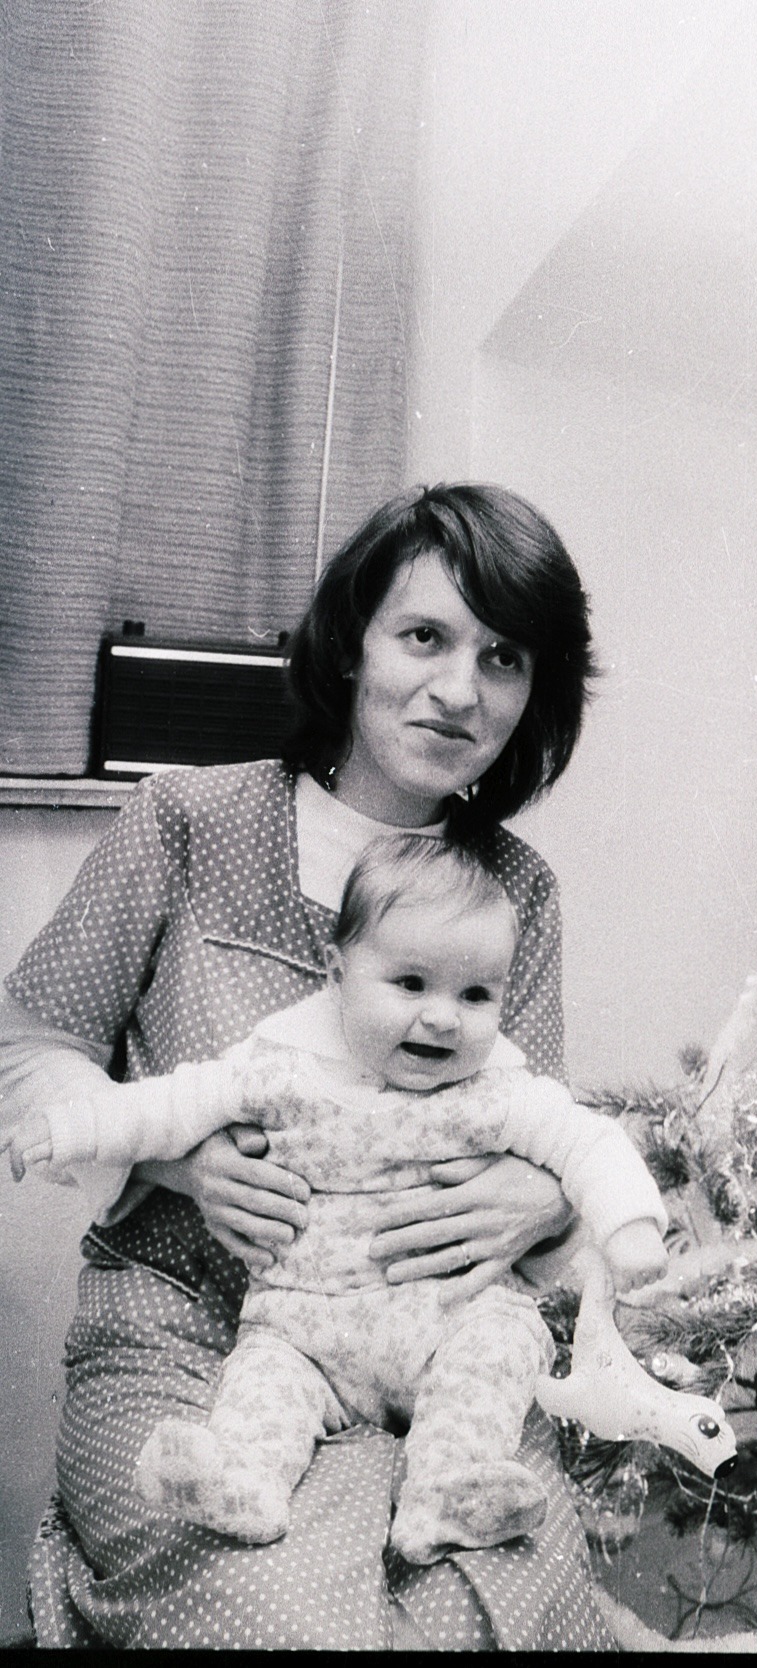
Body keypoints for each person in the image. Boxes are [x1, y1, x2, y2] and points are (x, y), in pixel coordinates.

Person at [0, 482, 619, 1650]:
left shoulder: (519, 888)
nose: (457, 689)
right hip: (180, 1335)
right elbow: (32, 1043)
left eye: (503, 658)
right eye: (424, 636)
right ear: (350, 648)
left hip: (434, 1365)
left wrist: (543, 1202)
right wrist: (178, 1153)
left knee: (478, 1614)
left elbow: (534, 1125)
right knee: (282, 1617)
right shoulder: (187, 821)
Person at [4, 835, 669, 1566]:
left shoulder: (495, 1094)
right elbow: (164, 1106)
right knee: (262, 1381)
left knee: (500, 1346)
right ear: (337, 974)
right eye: (411, 984)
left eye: (476, 994)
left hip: (446, 1326)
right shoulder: (281, 1073)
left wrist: (631, 1227)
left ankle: (445, 1493)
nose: (444, 1017)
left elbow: (590, 1143)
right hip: (305, 1331)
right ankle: (244, 1483)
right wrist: (69, 1127)